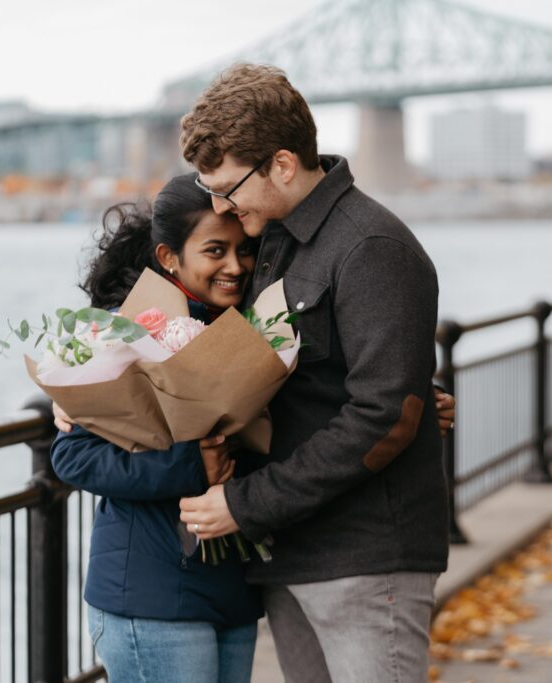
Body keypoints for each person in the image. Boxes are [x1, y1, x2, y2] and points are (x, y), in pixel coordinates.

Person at [51, 174, 457, 682]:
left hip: (235, 588)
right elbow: (71, 457)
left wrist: (421, 403)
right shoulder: (124, 330)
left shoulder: (256, 322)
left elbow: (322, 395)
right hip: (152, 586)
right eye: (216, 250)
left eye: (245, 250)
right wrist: (187, 463)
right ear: (170, 256)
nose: (235, 266)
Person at [176, 63, 450, 682]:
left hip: (364, 559)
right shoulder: (275, 240)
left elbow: (383, 415)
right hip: (291, 555)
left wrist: (245, 505)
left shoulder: (370, 247)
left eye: (228, 187)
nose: (220, 205)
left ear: (280, 164)